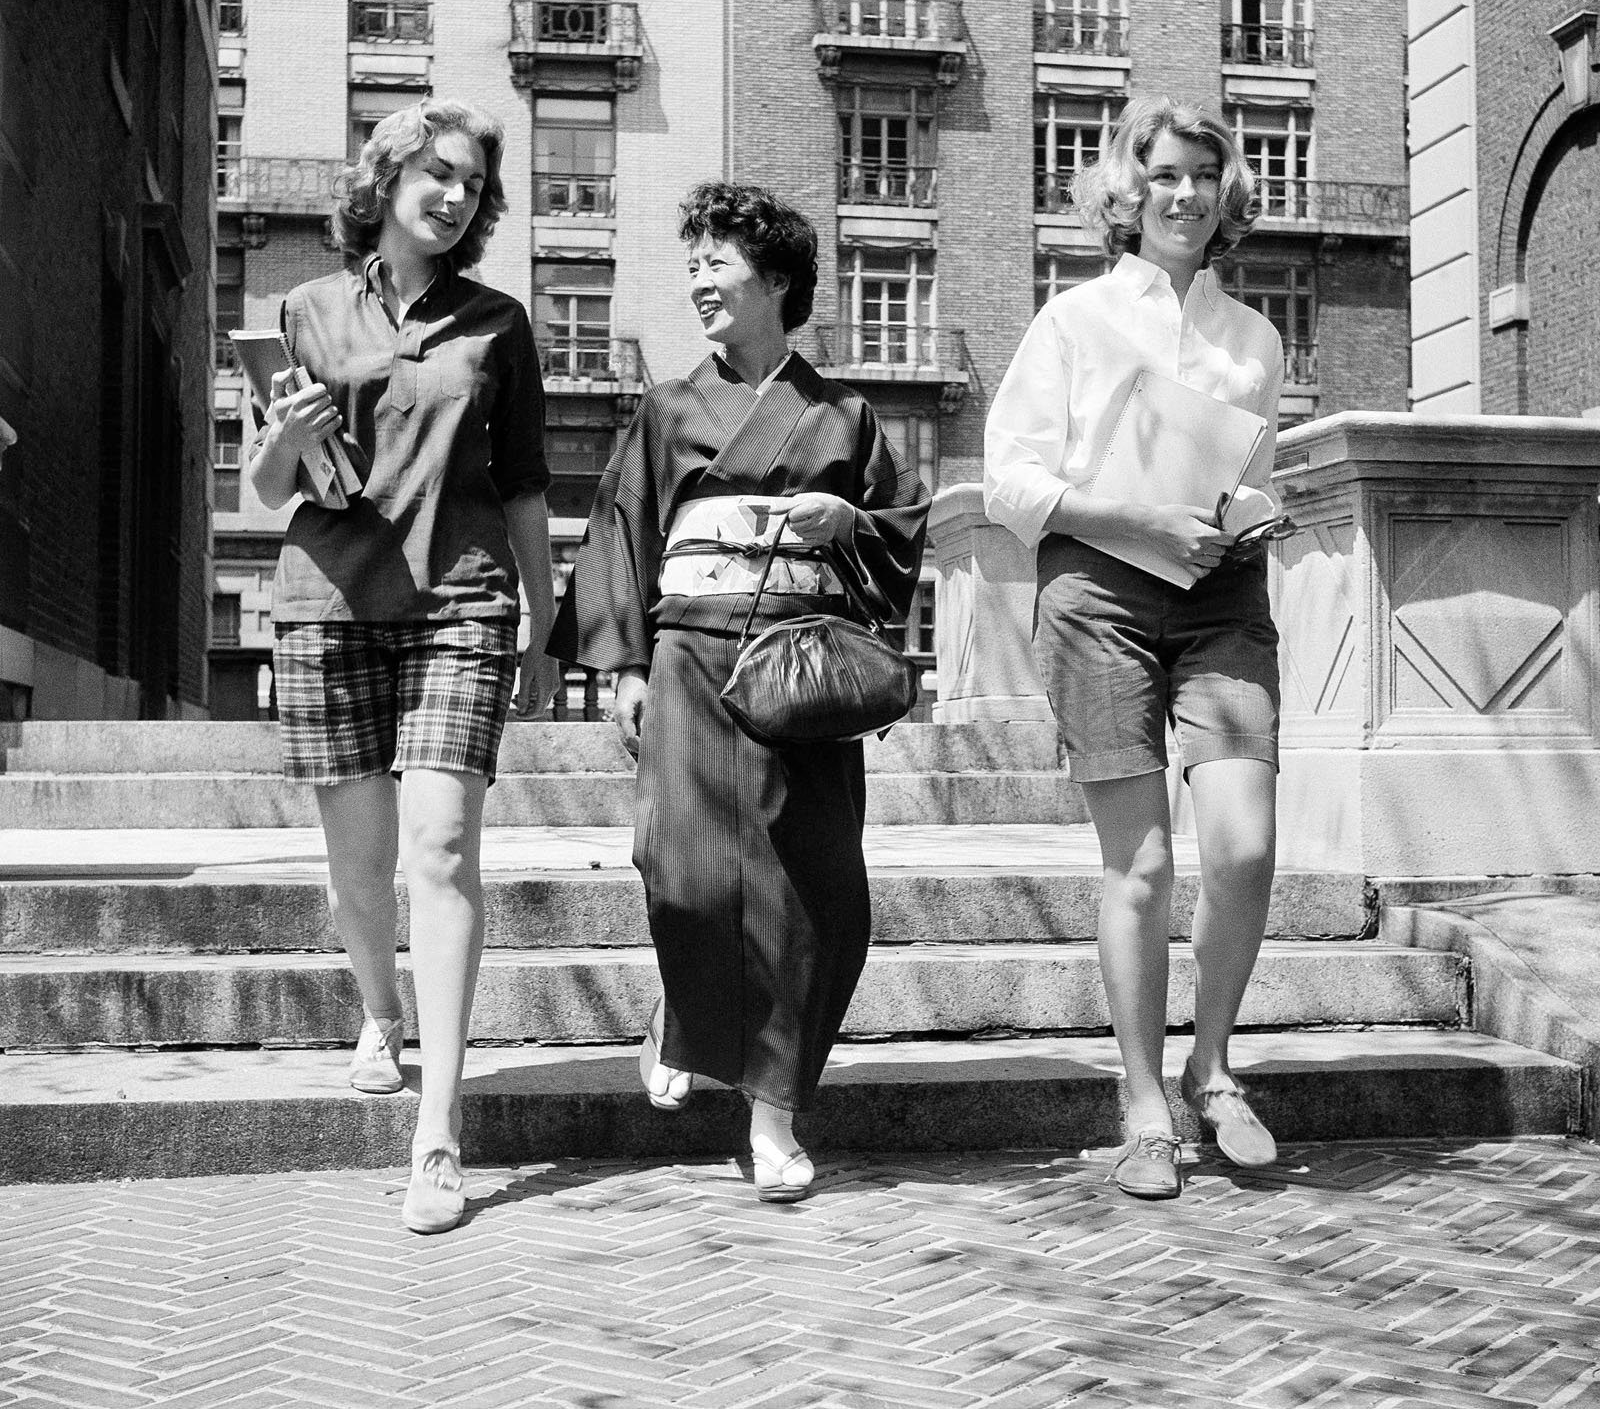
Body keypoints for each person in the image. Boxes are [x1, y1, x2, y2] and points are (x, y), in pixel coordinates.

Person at [550, 181, 929, 1202]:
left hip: (804, 667)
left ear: (774, 279)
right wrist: (623, 666)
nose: (700, 284)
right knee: (679, 867)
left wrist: (845, 522)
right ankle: (684, 1004)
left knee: (817, 893)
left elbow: (900, 532)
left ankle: (774, 1116)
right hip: (692, 656)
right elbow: (619, 532)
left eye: (716, 266)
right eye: (695, 268)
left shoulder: (843, 415)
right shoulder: (668, 409)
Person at [248, 98, 558, 1234]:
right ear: (383, 180)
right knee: (358, 870)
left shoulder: (498, 325)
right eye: (433, 173)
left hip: (460, 605)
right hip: (325, 603)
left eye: (470, 183)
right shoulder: (304, 310)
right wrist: (290, 430)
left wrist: (539, 623)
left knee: (440, 852)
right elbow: (269, 489)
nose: (451, 194)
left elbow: (525, 485)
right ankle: (379, 1010)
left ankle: (440, 1129)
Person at [984, 95, 1286, 1199]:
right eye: (1164, 174)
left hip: (1219, 600)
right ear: (1128, 187)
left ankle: (1212, 1068)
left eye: (1205, 177)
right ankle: (1143, 1099)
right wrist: (1134, 520)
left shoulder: (1252, 337)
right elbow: (1013, 480)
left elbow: (1247, 472)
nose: (1185, 195)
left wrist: (1256, 511)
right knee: (1144, 864)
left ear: (1225, 194)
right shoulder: (1071, 323)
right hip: (1100, 596)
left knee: (1245, 846)